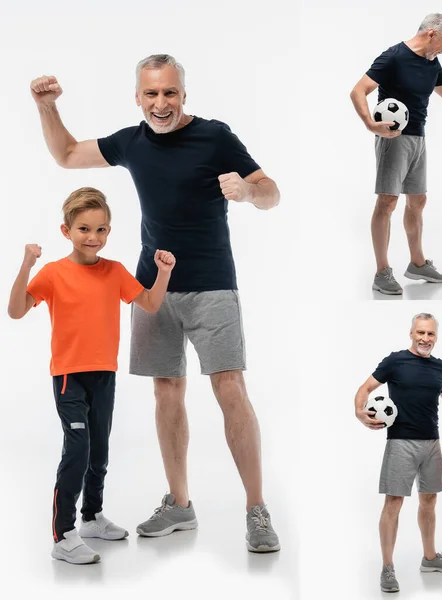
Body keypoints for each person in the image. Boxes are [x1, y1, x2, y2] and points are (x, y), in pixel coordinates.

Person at [30, 53, 281, 552]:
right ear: (138, 97)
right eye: (151, 93)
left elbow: (271, 191)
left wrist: (249, 194)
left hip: (212, 285)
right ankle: (181, 504)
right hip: (152, 290)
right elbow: (66, 155)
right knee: (167, 391)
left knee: (229, 388)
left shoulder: (215, 136)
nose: (160, 103)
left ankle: (257, 509)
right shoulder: (132, 142)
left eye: (169, 93)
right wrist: (47, 107)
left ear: (183, 95)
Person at [7, 187, 175, 564]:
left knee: (99, 451)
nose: (93, 238)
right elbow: (15, 311)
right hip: (69, 376)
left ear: (109, 231)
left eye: (101, 230)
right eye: (84, 229)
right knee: (78, 450)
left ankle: (91, 518)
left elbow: (149, 303)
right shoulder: (52, 274)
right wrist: (26, 265)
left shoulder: (114, 271)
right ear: (66, 231)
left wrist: (163, 273)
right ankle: (62, 534)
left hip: (104, 375)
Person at [350, 13, 442, 295]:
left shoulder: (433, 63)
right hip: (394, 138)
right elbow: (358, 90)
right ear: (431, 33)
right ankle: (381, 272)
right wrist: (370, 124)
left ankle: (417, 263)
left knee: (418, 201)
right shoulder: (394, 56)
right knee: (387, 202)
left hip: (418, 138)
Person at [354, 313, 442, 592]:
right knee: (393, 504)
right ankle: (387, 568)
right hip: (400, 443)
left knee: (428, 502)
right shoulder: (395, 361)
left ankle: (430, 559)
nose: (425, 338)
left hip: (431, 443)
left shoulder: (441, 368)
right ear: (411, 333)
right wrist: (359, 412)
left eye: (430, 334)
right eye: (420, 333)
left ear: (436, 337)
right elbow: (366, 387)